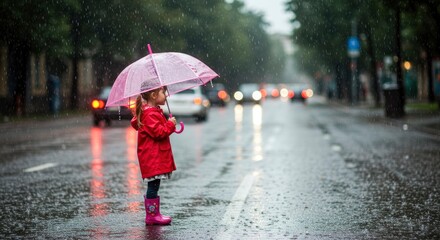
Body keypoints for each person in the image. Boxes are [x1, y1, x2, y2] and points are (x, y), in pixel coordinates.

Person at [130, 87, 177, 225]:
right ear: (154, 95)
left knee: (154, 185)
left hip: (154, 157)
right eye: (163, 92)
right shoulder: (150, 114)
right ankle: (152, 216)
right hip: (153, 158)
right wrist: (170, 124)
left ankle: (154, 214)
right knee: (153, 186)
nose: (166, 95)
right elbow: (159, 133)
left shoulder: (152, 112)